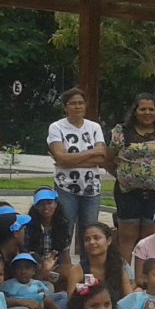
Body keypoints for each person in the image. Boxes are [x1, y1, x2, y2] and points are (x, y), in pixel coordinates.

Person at [109, 90, 155, 260]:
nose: (147, 113)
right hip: (128, 193)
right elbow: (107, 159)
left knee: (150, 238)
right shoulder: (121, 132)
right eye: (142, 109)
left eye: (151, 109)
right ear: (135, 111)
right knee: (127, 236)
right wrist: (123, 175)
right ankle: (125, 273)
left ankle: (147, 273)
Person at [46, 87, 107, 244]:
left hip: (91, 188)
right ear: (65, 107)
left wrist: (69, 160)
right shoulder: (56, 127)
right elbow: (61, 158)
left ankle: (88, 260)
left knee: (90, 231)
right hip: (66, 187)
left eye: (81, 103)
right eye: (73, 103)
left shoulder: (94, 127)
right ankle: (63, 259)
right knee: (64, 229)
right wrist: (92, 152)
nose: (77, 106)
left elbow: (101, 158)